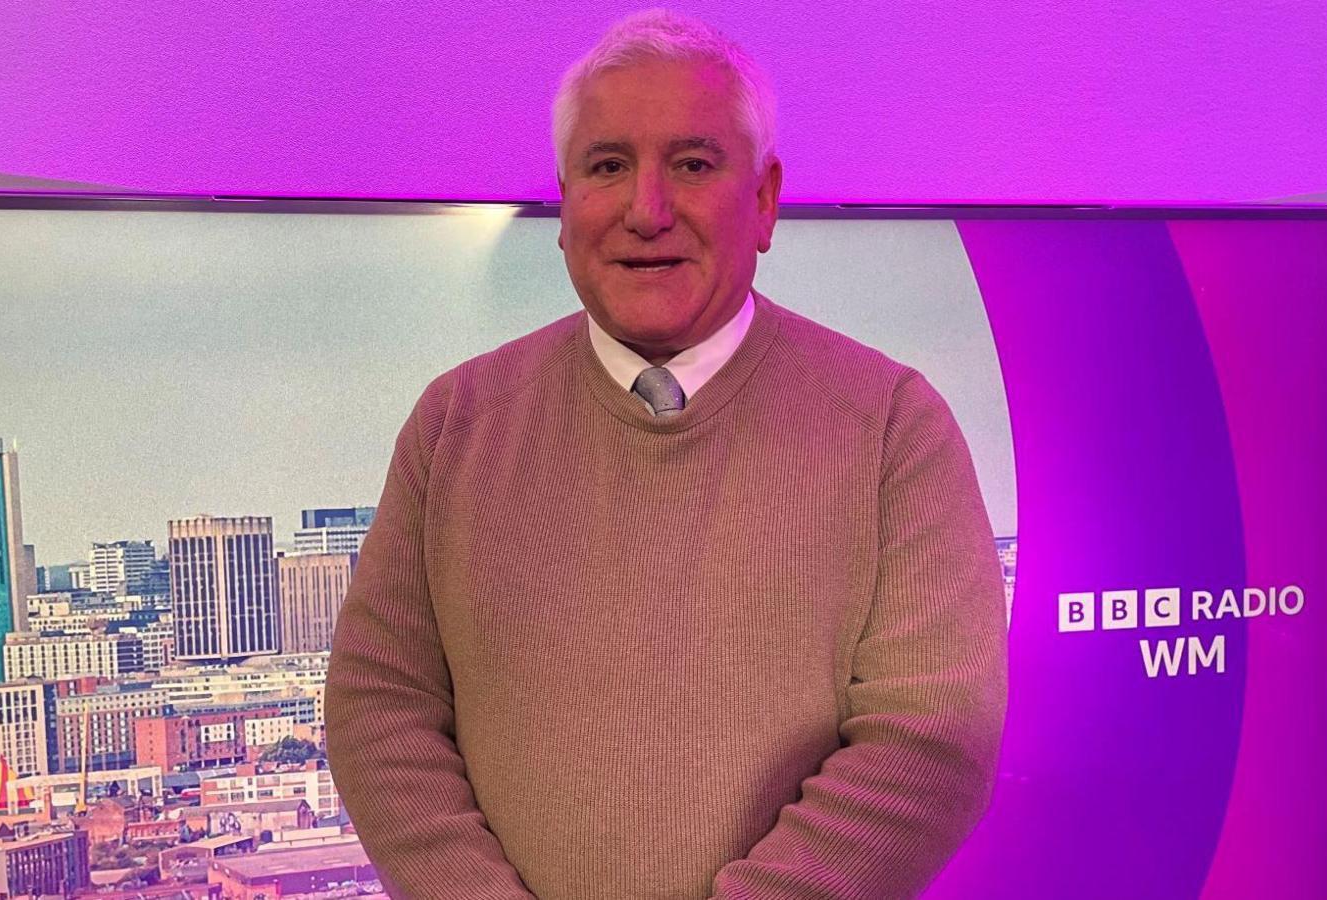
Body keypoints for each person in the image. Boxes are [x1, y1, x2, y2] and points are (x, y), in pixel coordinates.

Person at [324, 9, 1007, 899]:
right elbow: (382, 709)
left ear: (762, 201)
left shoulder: (891, 427)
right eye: (608, 167)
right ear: (566, 207)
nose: (647, 211)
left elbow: (929, 741)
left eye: (692, 165)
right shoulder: (456, 423)